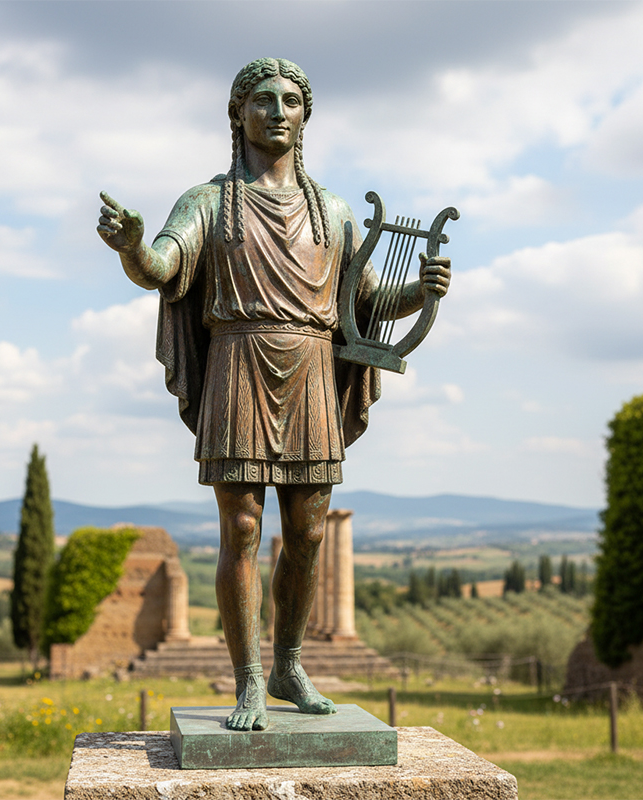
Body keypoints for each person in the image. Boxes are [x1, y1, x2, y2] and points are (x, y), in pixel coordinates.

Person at [97, 57, 450, 731]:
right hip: (238, 363)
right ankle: (250, 680)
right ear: (239, 113)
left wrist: (422, 291)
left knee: (309, 531)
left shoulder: (334, 212)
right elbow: (162, 267)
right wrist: (132, 248)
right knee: (242, 528)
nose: (277, 111)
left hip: (312, 368)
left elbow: (368, 301)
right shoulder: (206, 202)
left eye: (291, 101)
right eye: (263, 99)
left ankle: (289, 663)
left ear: (305, 116)